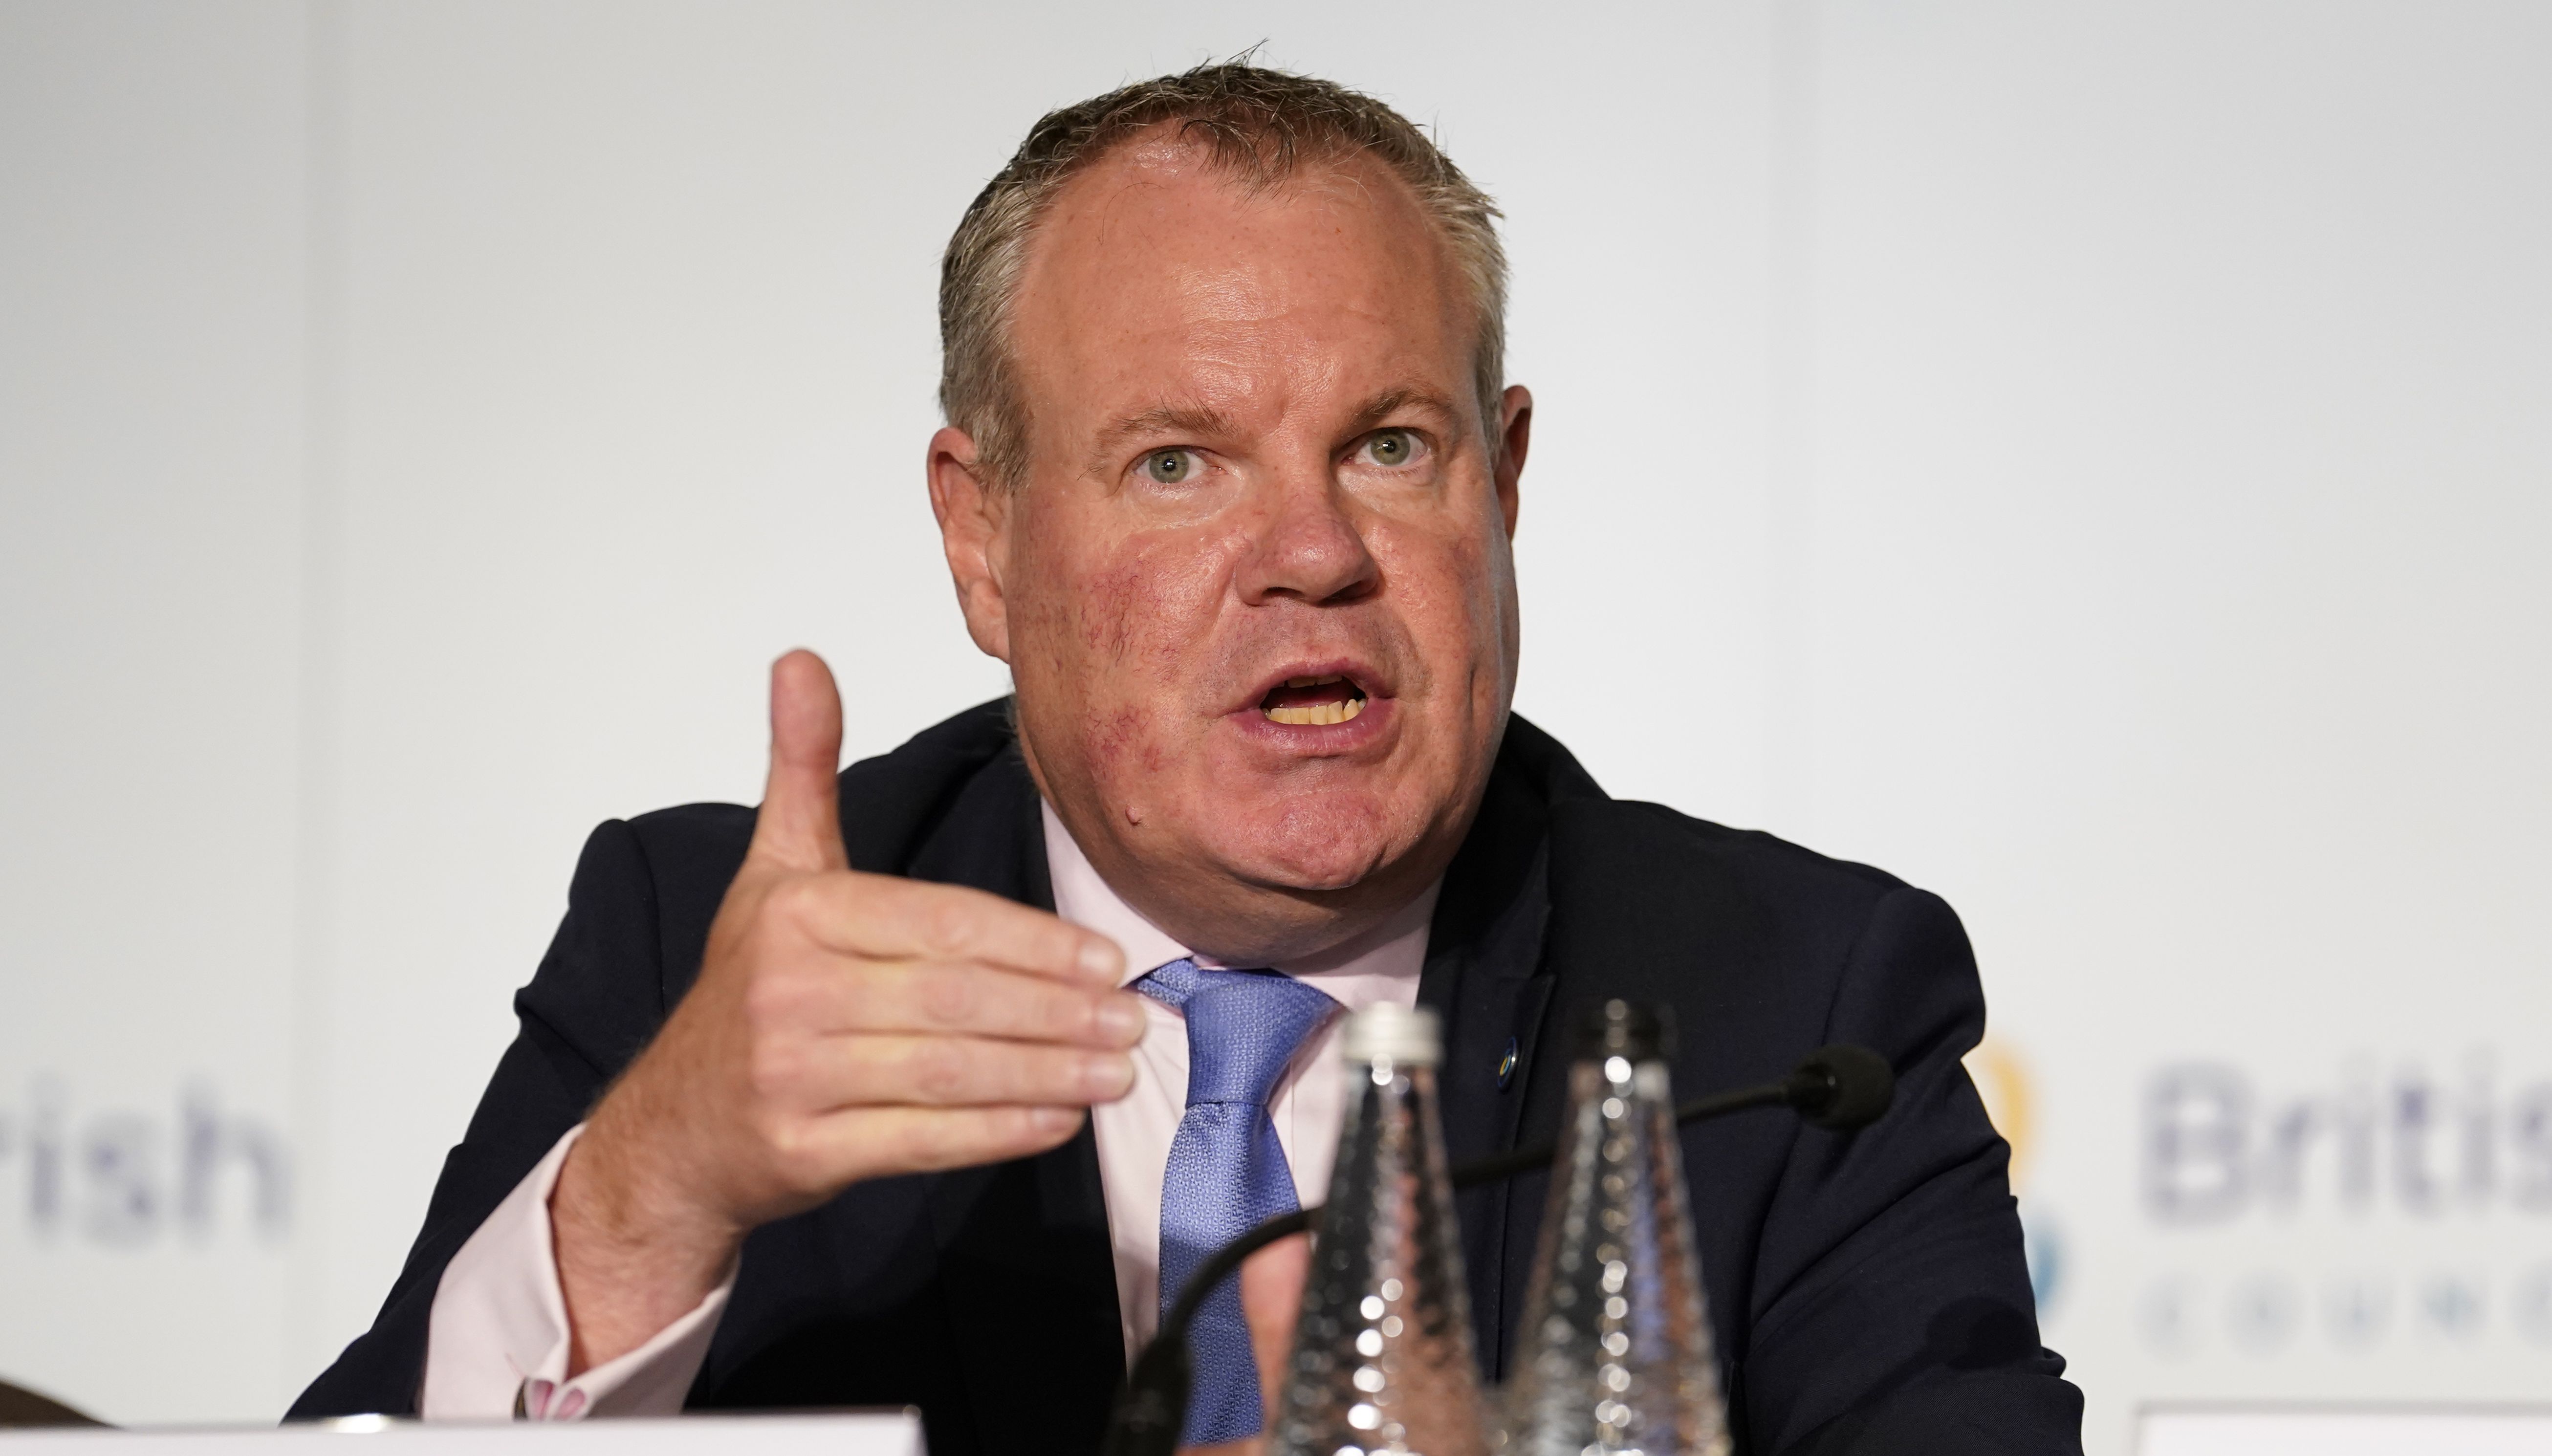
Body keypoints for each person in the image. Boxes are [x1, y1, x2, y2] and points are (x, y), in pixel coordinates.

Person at [291, 62, 2082, 1456]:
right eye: (1179, 463)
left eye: (1389, 444)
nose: (1313, 550)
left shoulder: (1793, 1016)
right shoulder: (729, 952)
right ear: (982, 538)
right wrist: (646, 1194)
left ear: (1505, 480)